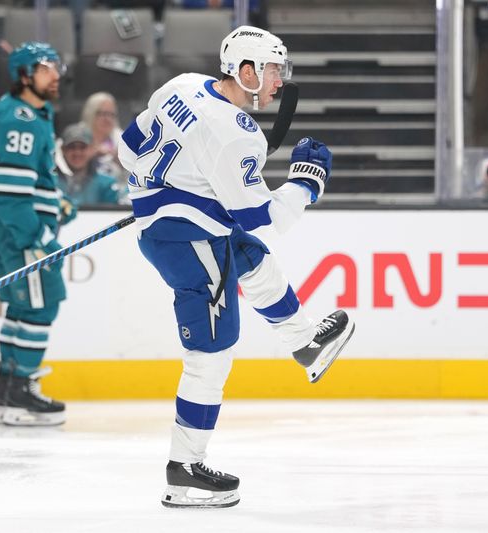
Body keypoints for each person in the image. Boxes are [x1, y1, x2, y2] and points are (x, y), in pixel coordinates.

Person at [118, 25, 355, 509]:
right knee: (211, 355)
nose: (278, 81)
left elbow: (127, 150)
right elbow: (265, 217)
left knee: (249, 255)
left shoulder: (181, 85)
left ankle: (304, 343)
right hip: (188, 242)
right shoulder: (237, 133)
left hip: (175, 226)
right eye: (272, 70)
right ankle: (184, 470)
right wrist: (309, 182)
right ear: (245, 71)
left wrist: (166, 189)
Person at [0, 42, 75, 427]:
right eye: (47, 68)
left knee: (23, 307)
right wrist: (37, 237)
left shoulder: (32, 114)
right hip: (20, 229)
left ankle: (6, 392)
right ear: (24, 74)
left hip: (19, 225)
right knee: (42, 304)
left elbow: (31, 183)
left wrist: (57, 202)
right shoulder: (21, 119)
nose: (56, 74)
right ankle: (20, 393)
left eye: (56, 66)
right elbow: (12, 196)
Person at [56, 122, 122, 206]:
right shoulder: (50, 182)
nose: (77, 153)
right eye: (71, 147)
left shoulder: (107, 184)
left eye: (82, 147)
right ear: (63, 150)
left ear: (92, 149)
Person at [79, 92, 127, 183]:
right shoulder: (77, 135)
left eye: (111, 114)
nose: (107, 119)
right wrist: (90, 154)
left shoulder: (121, 138)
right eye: (103, 114)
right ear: (90, 113)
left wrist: (119, 159)